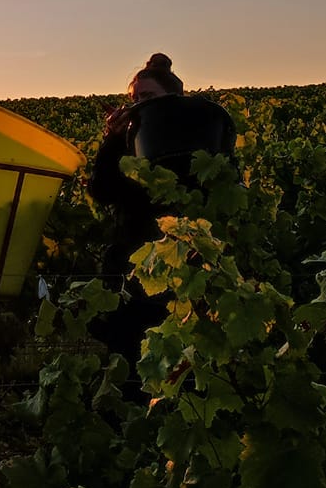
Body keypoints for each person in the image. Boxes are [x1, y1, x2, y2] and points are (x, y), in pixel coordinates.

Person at [88, 53, 235, 379]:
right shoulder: (130, 145)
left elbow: (226, 187)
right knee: (130, 352)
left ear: (175, 98)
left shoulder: (200, 138)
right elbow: (102, 191)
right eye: (135, 98)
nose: (139, 105)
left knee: (184, 358)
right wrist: (110, 142)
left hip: (188, 265)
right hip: (133, 263)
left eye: (148, 98)